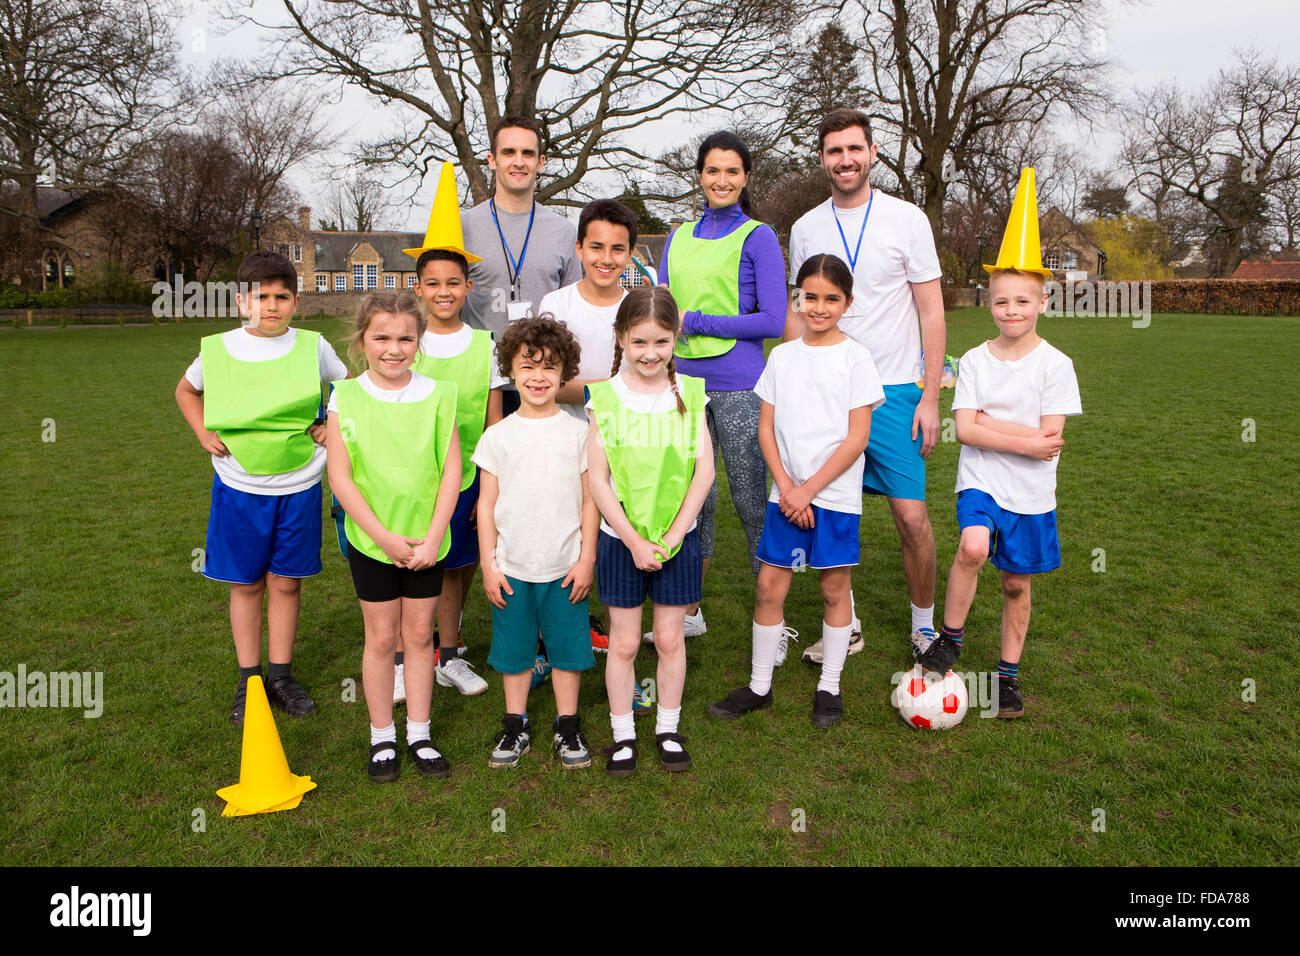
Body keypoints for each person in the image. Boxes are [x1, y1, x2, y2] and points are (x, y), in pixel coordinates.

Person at [917, 169, 1082, 720]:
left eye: (1022, 302)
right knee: (972, 547)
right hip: (981, 479)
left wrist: (1001, 428)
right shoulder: (976, 360)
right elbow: (966, 431)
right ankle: (951, 639)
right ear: (990, 301)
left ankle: (1007, 677)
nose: (1011, 311)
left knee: (1015, 585)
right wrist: (1024, 435)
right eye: (1001, 301)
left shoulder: (1057, 365)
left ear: (1042, 302)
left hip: (1032, 493)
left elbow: (1051, 441)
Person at [785, 108, 946, 665]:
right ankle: (846, 624)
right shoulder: (806, 226)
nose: (845, 160)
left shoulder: (908, 220)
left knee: (911, 516)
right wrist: (786, 384)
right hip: (827, 394)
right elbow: (798, 307)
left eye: (854, 149)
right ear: (823, 159)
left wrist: (930, 397)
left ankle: (924, 627)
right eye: (834, 151)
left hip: (897, 389)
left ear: (873, 153)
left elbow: (932, 312)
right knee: (830, 513)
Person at [708, 255, 883, 727]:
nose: (819, 307)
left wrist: (809, 490)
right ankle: (760, 686)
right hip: (785, 495)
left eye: (831, 298)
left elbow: (856, 438)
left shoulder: (856, 358)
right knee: (768, 586)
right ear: (797, 298)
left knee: (833, 589)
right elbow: (765, 431)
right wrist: (787, 488)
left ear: (847, 302)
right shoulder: (782, 356)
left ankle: (830, 686)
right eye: (810, 297)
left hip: (833, 497)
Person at [174, 249, 347, 725]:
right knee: (247, 584)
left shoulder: (313, 346)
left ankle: (281, 676)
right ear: (241, 301)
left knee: (286, 583)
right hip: (239, 484)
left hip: (300, 482)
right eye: (262, 296)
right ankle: (250, 679)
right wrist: (202, 433)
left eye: (282, 297)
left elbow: (348, 389)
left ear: (296, 302)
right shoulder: (219, 348)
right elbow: (186, 391)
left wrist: (326, 424)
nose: (272, 305)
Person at [650, 130, 787, 644]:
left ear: (745, 177)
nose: (722, 180)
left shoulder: (759, 236)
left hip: (739, 383)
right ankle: (689, 611)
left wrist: (700, 321)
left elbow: (773, 319)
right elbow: (663, 311)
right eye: (713, 170)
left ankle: (769, 625)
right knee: (692, 502)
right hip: (682, 384)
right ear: (700, 176)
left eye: (732, 171)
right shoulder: (677, 236)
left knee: (752, 500)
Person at [326, 291, 462, 781]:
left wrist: (432, 537)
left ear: (420, 341)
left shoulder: (441, 395)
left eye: (406, 337)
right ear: (362, 340)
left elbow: (452, 472)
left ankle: (420, 733)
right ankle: (382, 735)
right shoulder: (346, 396)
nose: (393, 347)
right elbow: (341, 477)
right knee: (382, 639)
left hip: (428, 542)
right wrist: (382, 537)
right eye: (381, 337)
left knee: (420, 635)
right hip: (373, 542)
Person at [587, 286, 714, 776]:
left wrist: (676, 534)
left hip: (676, 540)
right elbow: (597, 478)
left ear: (675, 340)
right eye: (639, 342)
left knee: (668, 639)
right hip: (623, 541)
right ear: (620, 338)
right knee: (622, 643)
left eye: (661, 342)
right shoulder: (605, 397)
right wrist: (635, 540)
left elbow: (703, 471)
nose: (650, 353)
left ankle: (667, 727)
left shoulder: (690, 393)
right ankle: (622, 735)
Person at [473, 317, 599, 769]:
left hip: (565, 565)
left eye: (550, 367)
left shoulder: (579, 432)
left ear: (564, 373)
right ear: (510, 369)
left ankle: (568, 726)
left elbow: (591, 502)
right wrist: (489, 565)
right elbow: (486, 506)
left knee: (567, 649)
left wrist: (587, 559)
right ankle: (515, 725)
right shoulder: (498, 436)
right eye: (528, 366)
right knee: (515, 650)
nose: (539, 376)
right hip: (512, 567)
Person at [404, 162, 506, 698]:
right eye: (432, 283)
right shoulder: (406, 342)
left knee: (462, 562)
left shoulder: (484, 344)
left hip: (468, 476)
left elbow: (492, 417)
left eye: (453, 283)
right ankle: (411, 653)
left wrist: (487, 479)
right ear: (417, 288)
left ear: (468, 286)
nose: (443, 292)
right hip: (414, 477)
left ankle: (449, 651)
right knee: (420, 565)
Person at [461, 115, 581, 415]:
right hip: (483, 387)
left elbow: (574, 311)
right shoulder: (463, 228)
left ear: (540, 162)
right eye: (508, 152)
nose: (519, 162)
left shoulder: (564, 231)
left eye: (527, 153)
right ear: (492, 160)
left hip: (545, 384)